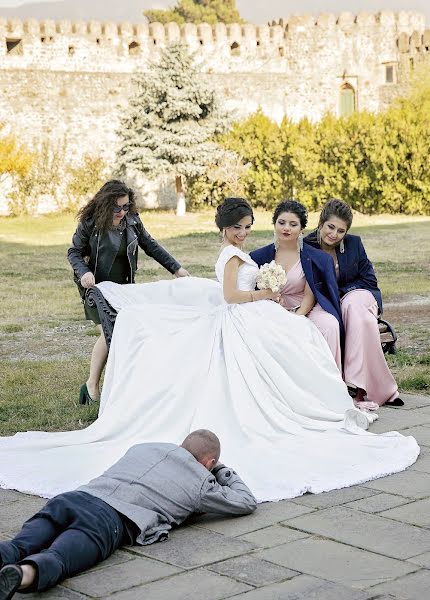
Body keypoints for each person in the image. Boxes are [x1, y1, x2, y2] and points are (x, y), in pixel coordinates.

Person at [0, 198, 418, 505]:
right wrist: (267, 296)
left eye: (247, 226)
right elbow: (234, 296)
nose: (243, 232)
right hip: (244, 311)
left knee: (298, 339)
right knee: (270, 355)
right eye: (238, 227)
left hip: (256, 311)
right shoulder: (237, 255)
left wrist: (272, 300)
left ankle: (327, 395)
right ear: (225, 229)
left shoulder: (245, 253)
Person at [0, 430, 256, 598]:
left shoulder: (144, 447)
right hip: (106, 521)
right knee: (58, 558)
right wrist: (220, 470)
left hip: (73, 499)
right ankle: (21, 576)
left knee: (19, 544)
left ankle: (10, 561)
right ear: (208, 463)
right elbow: (246, 502)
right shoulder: (201, 482)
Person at [67, 180, 190, 405]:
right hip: (96, 287)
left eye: (126, 206)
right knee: (109, 333)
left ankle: (118, 387)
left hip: (124, 288)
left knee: (121, 333)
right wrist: (84, 272)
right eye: (117, 208)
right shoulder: (90, 223)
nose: (122, 212)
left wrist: (177, 269)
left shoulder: (132, 221)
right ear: (105, 206)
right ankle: (92, 385)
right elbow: (74, 252)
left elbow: (150, 246)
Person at [305, 198, 403, 407]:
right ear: (321, 222)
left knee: (353, 307)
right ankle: (369, 388)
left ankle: (354, 383)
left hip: (360, 296)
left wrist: (341, 294)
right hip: (326, 304)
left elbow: (369, 280)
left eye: (341, 231)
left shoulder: (354, 244)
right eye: (331, 227)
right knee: (362, 322)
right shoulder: (306, 246)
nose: (334, 235)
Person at [250, 200, 343, 369]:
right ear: (274, 224)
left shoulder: (313, 257)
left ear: (301, 229)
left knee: (329, 324)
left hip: (304, 309)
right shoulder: (258, 256)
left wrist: (297, 317)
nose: (286, 228)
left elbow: (309, 295)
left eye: (293, 224)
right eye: (282, 222)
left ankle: (333, 379)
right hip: (271, 311)